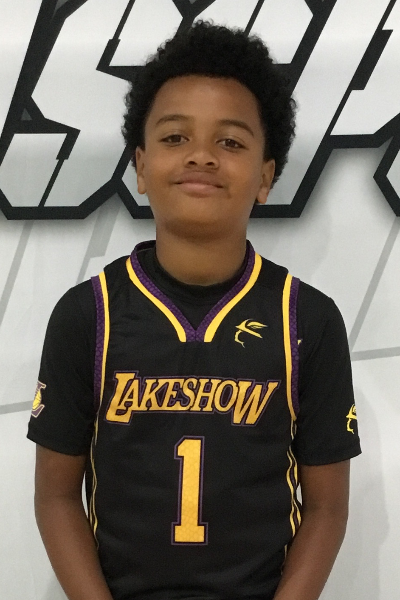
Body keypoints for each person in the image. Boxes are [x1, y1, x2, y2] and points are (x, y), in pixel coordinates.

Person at [28, 21, 361, 600]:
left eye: (230, 142)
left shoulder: (306, 320)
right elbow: (56, 496)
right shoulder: (89, 315)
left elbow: (327, 508)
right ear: (140, 166)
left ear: (265, 176)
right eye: (176, 137)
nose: (202, 156)